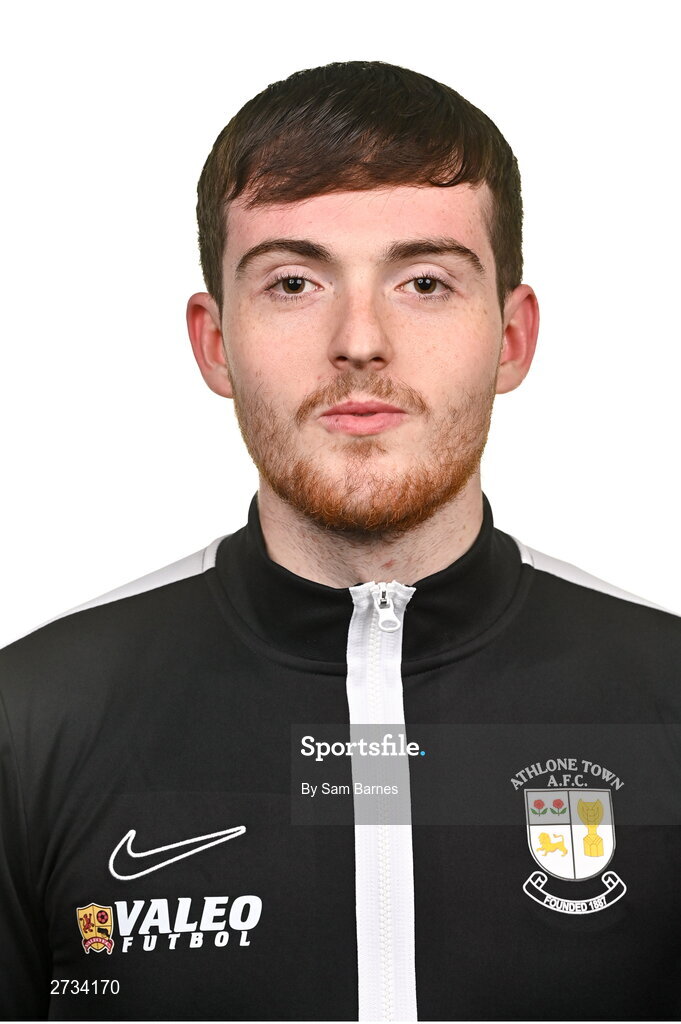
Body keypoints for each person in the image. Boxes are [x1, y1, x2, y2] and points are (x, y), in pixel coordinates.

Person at [1, 59, 679, 1023]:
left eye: (424, 280)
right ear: (214, 343)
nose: (360, 340)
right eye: (292, 280)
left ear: (512, 338)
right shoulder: (28, 725)